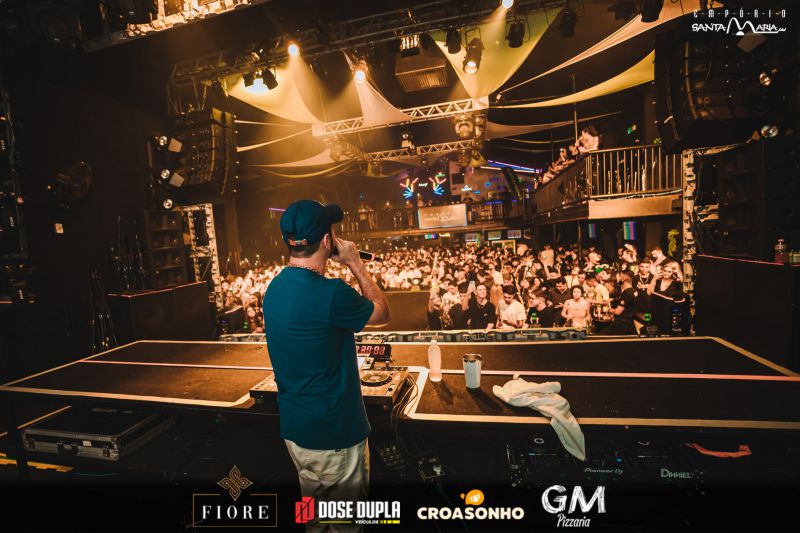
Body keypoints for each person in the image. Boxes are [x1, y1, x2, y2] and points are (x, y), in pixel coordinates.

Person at [262, 200, 390, 531]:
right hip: (336, 437)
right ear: (327, 241)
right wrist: (355, 263)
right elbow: (381, 312)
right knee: (347, 524)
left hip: (296, 436)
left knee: (314, 518)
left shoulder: (273, 289)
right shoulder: (332, 293)